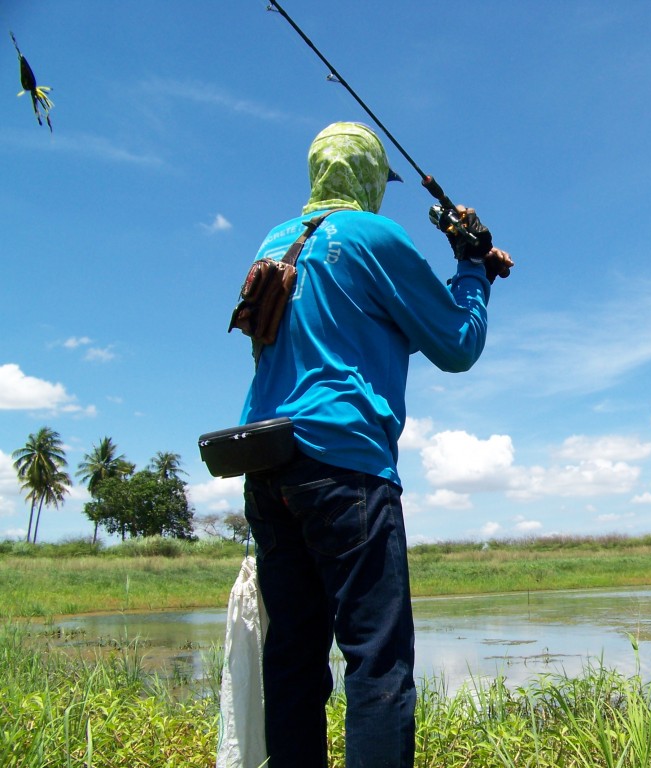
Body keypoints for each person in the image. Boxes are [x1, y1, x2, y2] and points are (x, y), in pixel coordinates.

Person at [239, 121, 513, 767]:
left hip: (269, 472)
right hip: (346, 472)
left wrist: (469, 269)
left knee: (294, 661)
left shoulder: (276, 240)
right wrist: (471, 266)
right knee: (377, 662)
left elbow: (364, 327)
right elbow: (456, 344)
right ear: (369, 179)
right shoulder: (373, 236)